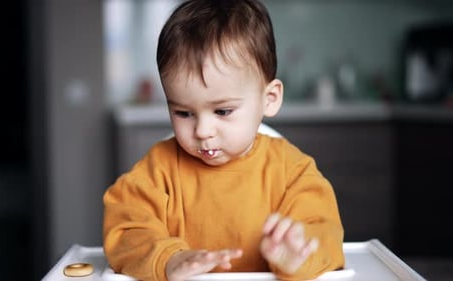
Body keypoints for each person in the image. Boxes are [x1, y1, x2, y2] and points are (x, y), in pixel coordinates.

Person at [103, 1, 345, 280]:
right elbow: (125, 228)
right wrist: (169, 259)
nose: (203, 130)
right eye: (183, 113)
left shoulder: (292, 172)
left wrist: (297, 255)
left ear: (269, 99)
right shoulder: (158, 171)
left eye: (222, 111)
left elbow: (325, 233)